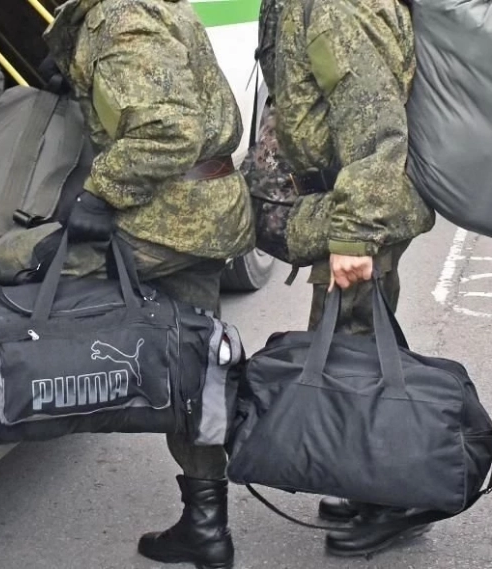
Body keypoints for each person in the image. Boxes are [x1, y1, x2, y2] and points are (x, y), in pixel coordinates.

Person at [43, 0, 255, 567]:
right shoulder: (135, 9)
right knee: (195, 369)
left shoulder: (120, 20)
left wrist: (98, 194)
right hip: (199, 214)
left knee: (19, 267)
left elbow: (169, 130)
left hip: (172, 218)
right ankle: (207, 526)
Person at [269, 0, 435, 556]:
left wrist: (354, 237)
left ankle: (395, 499)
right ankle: (371, 486)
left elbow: (375, 125)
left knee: (357, 357)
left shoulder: (338, 7)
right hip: (351, 201)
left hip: (361, 207)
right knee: (356, 349)